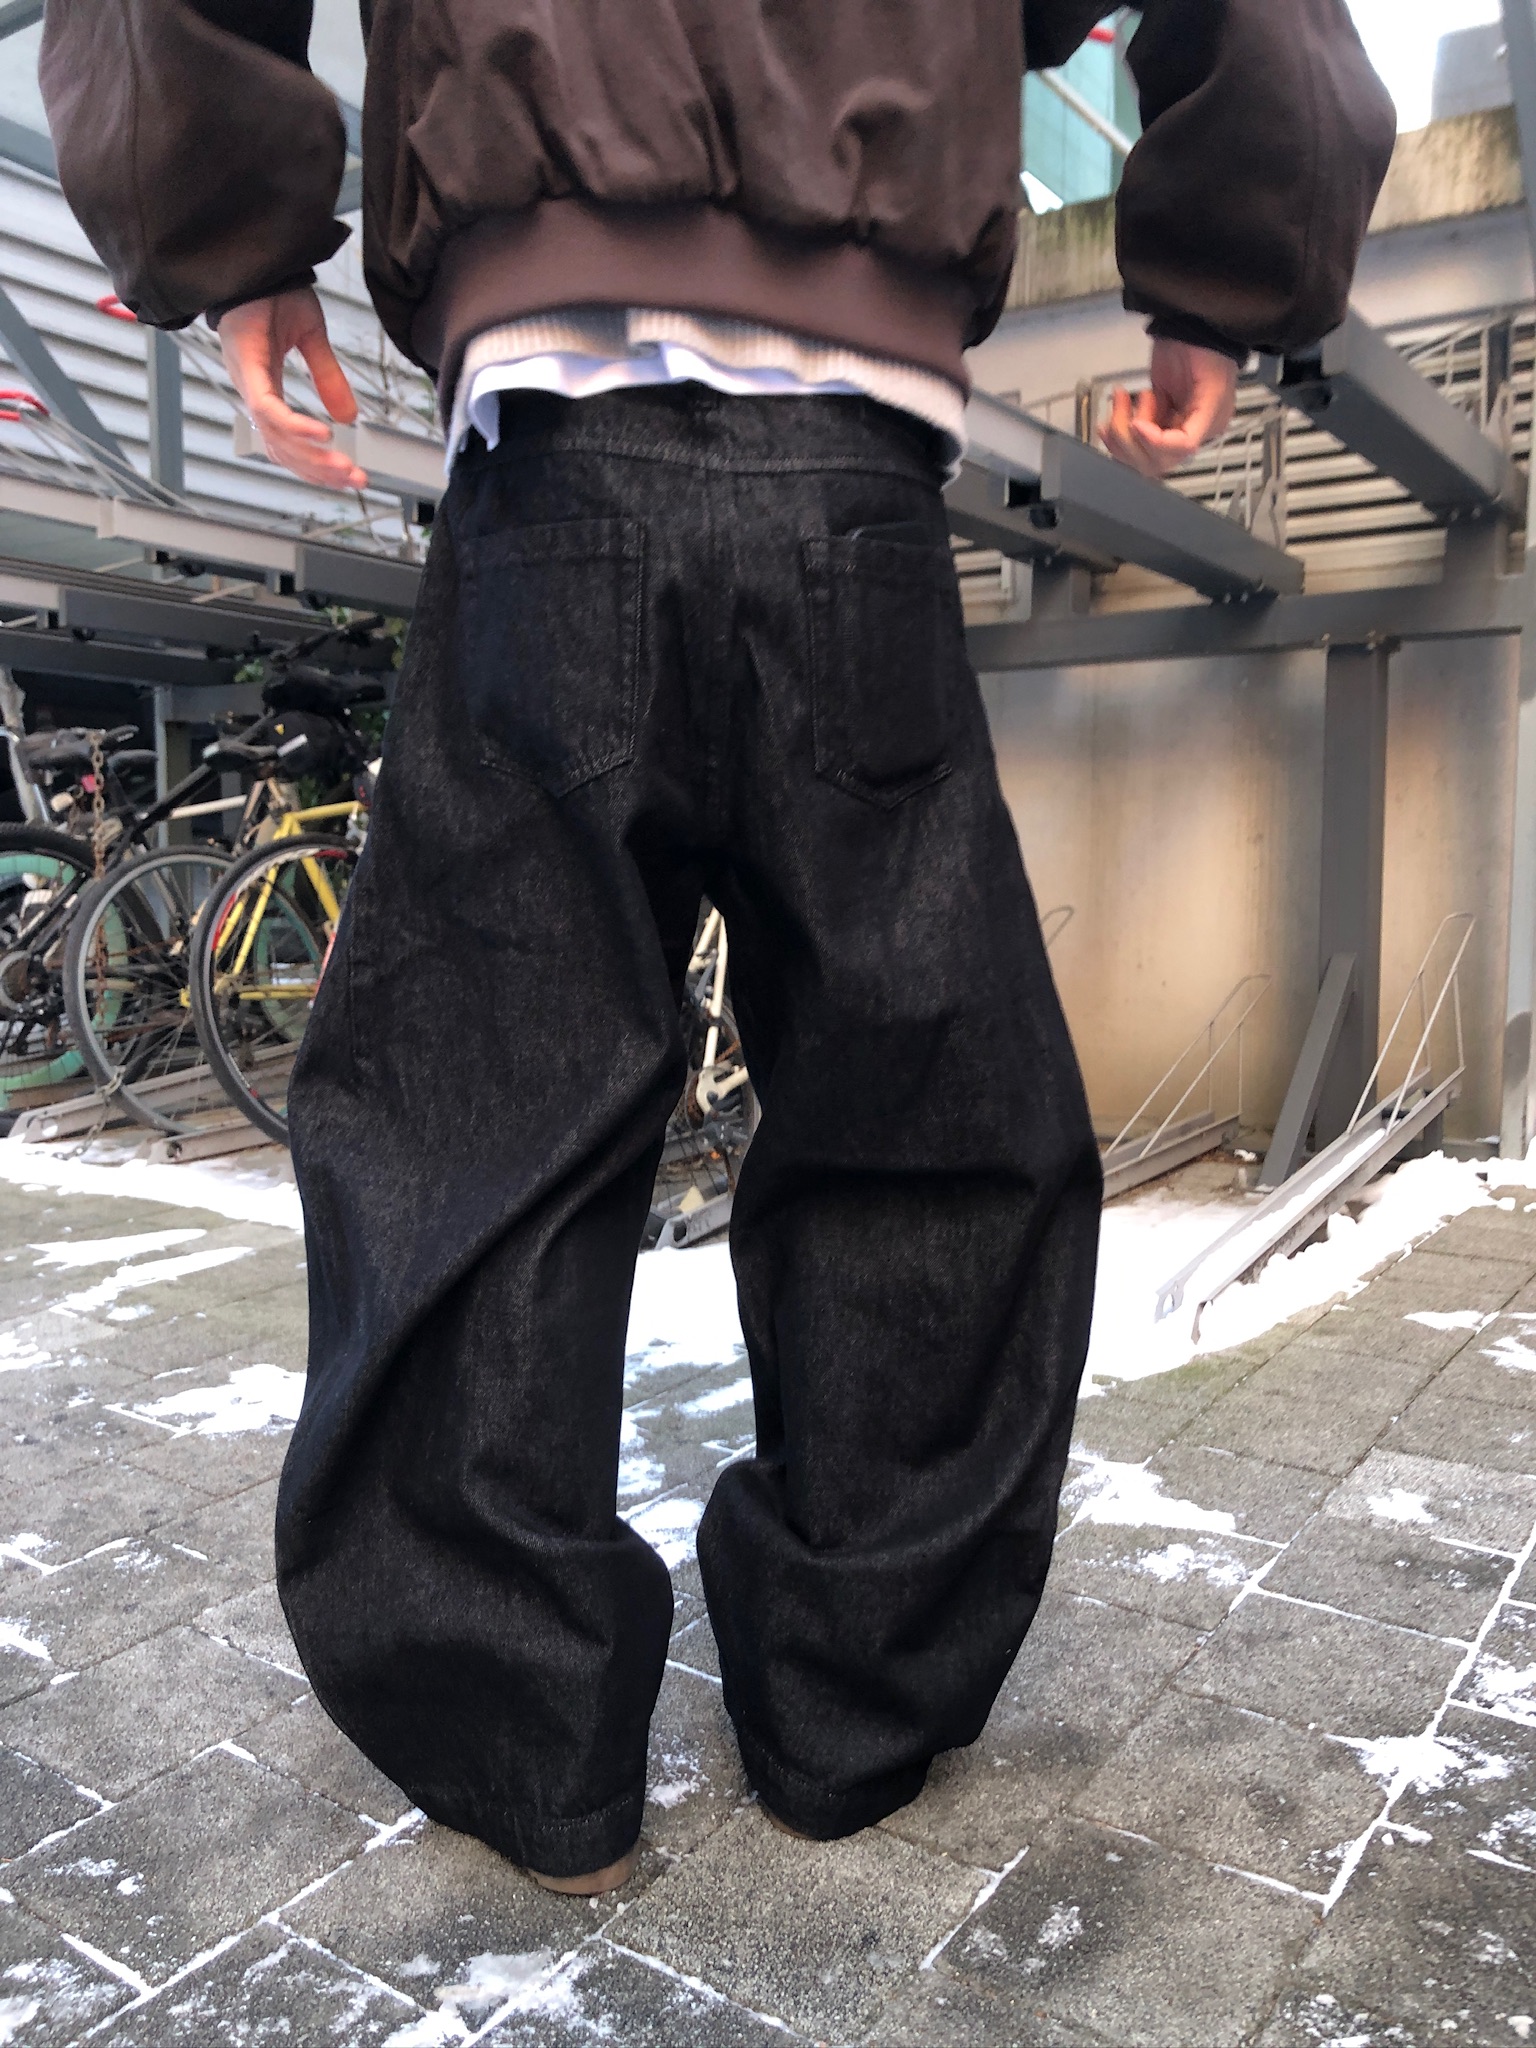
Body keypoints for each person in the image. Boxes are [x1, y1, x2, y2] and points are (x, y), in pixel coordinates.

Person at [42, 0, 1395, 1895]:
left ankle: (521, 1745)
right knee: (921, 1106)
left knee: (480, 1118)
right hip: (857, 466)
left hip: (550, 450)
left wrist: (231, 238)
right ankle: (854, 1713)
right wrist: (1223, 269)